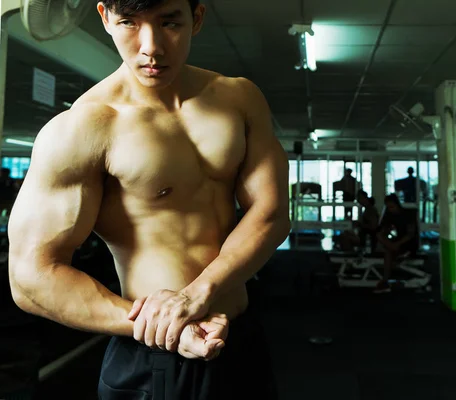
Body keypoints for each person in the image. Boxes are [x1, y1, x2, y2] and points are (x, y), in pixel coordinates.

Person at [7, 0, 290, 398]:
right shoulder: (84, 127)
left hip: (240, 334)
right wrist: (166, 326)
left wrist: (199, 293)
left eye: (169, 22)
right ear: (105, 17)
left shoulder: (239, 99)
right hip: (154, 353)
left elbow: (272, 212)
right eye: (129, 23)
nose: (151, 46)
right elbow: (30, 278)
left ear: (197, 17)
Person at [374, 194, 418, 294]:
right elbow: (382, 230)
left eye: (392, 207)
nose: (390, 209)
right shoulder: (389, 215)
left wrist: (397, 243)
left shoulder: (408, 214)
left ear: (397, 205)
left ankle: (385, 280)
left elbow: (410, 234)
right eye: (388, 207)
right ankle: (395, 251)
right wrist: (385, 235)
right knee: (382, 240)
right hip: (397, 244)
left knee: (389, 251)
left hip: (409, 243)